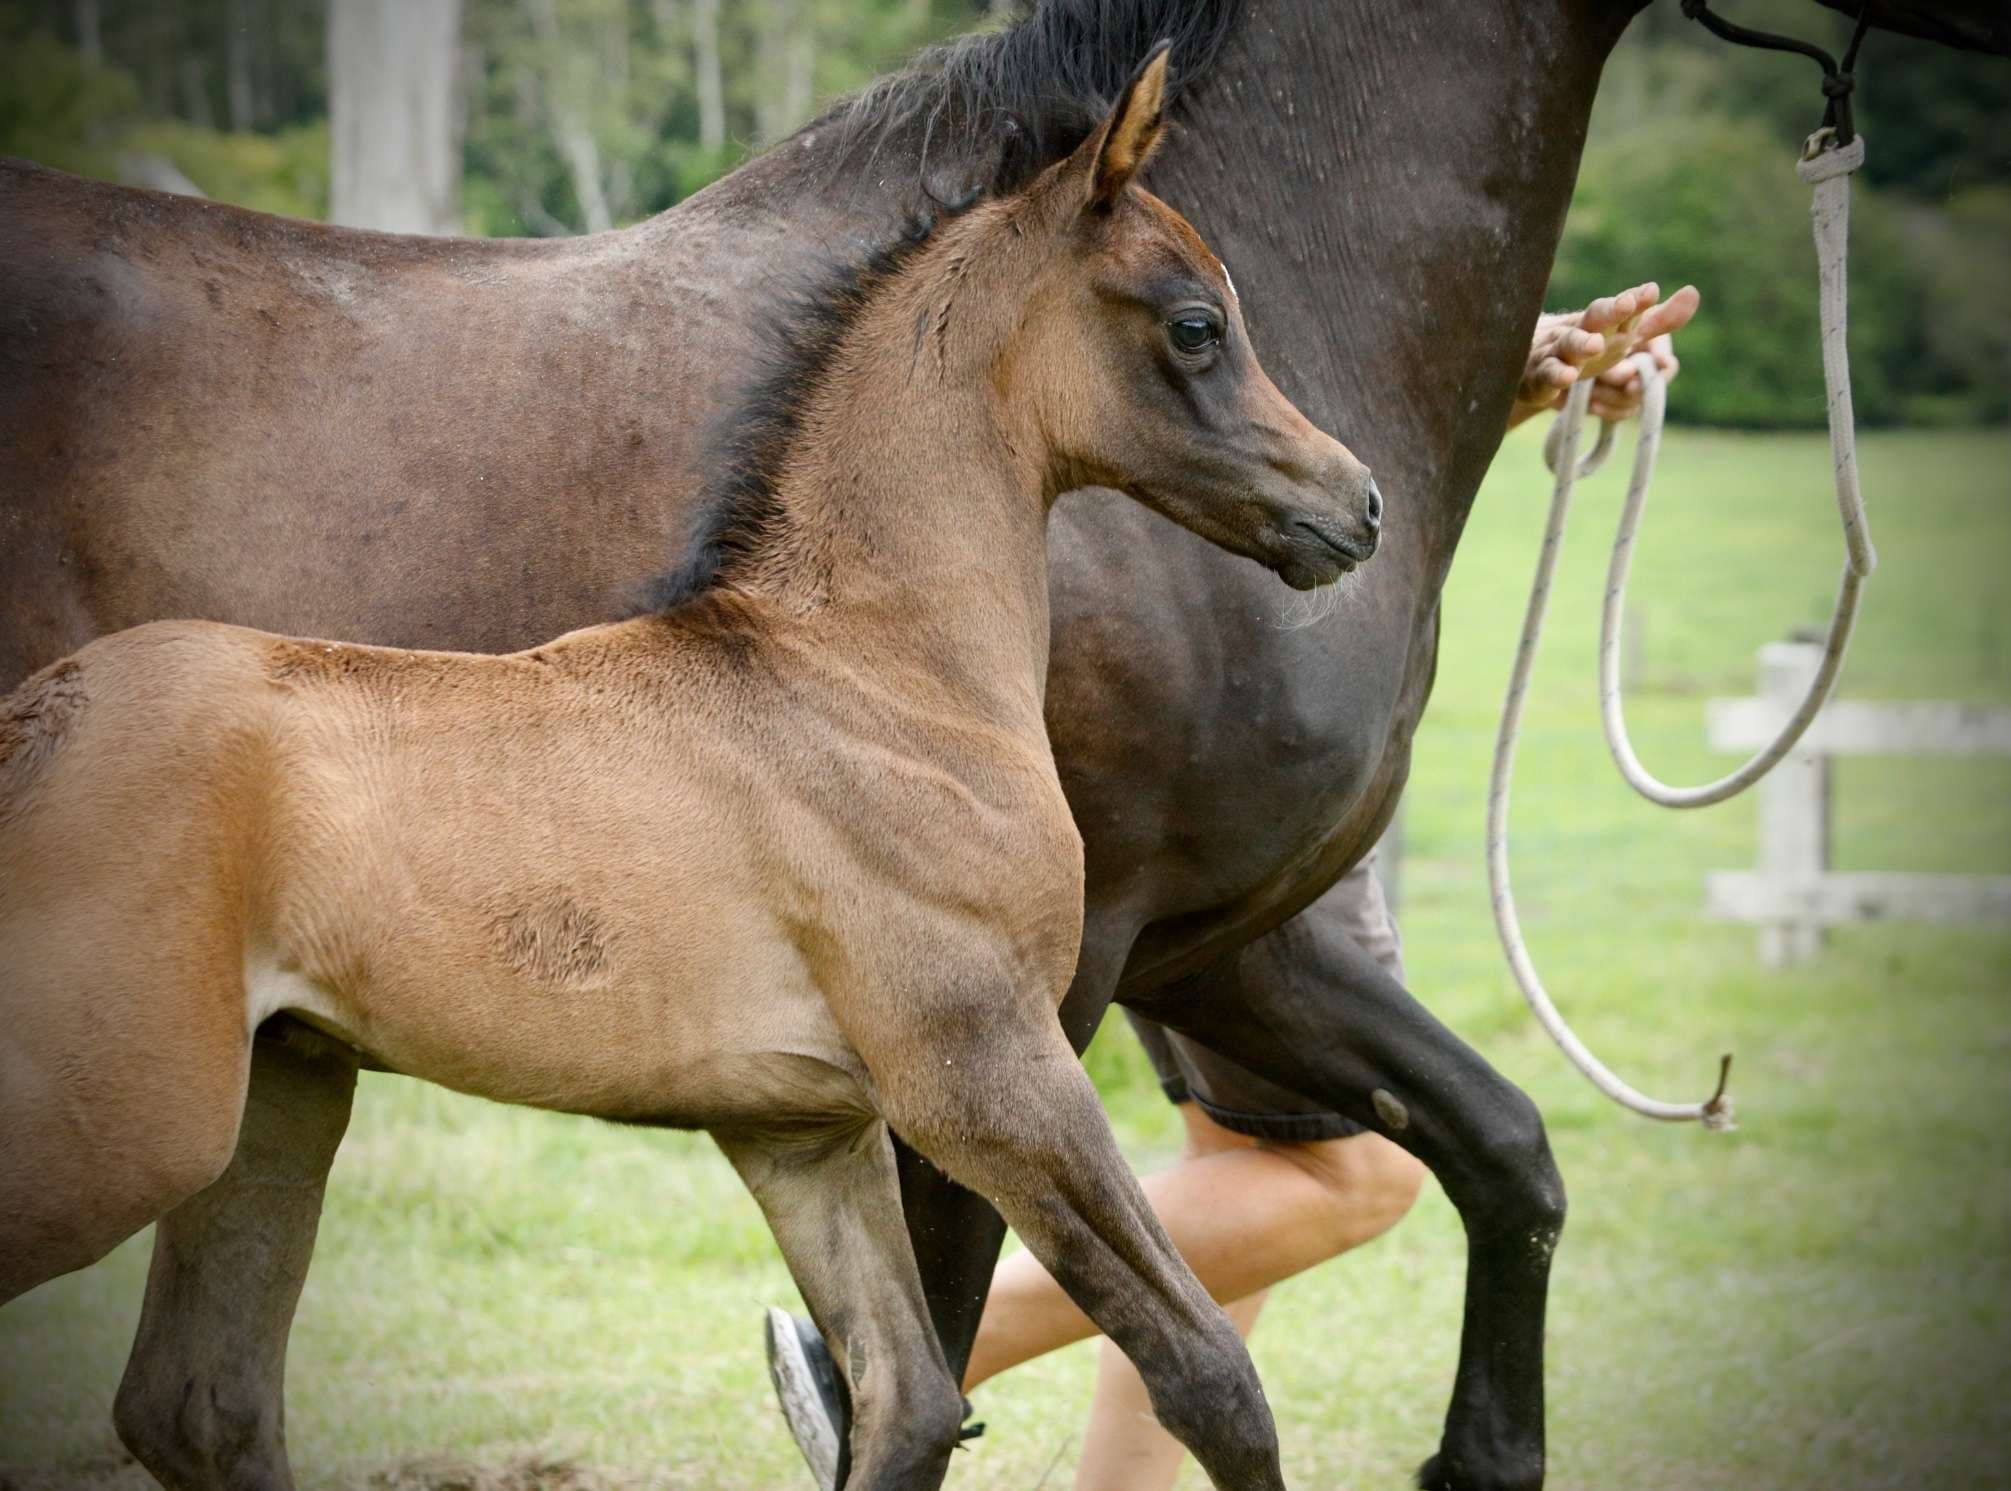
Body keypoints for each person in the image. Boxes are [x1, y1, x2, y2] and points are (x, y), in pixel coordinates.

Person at [765, 281, 1701, 1491]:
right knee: (1348, 1172)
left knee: (1253, 1158)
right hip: (1245, 716)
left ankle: (1006, 1425)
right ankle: (893, 1361)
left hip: (1227, 698)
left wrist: (1503, 377)